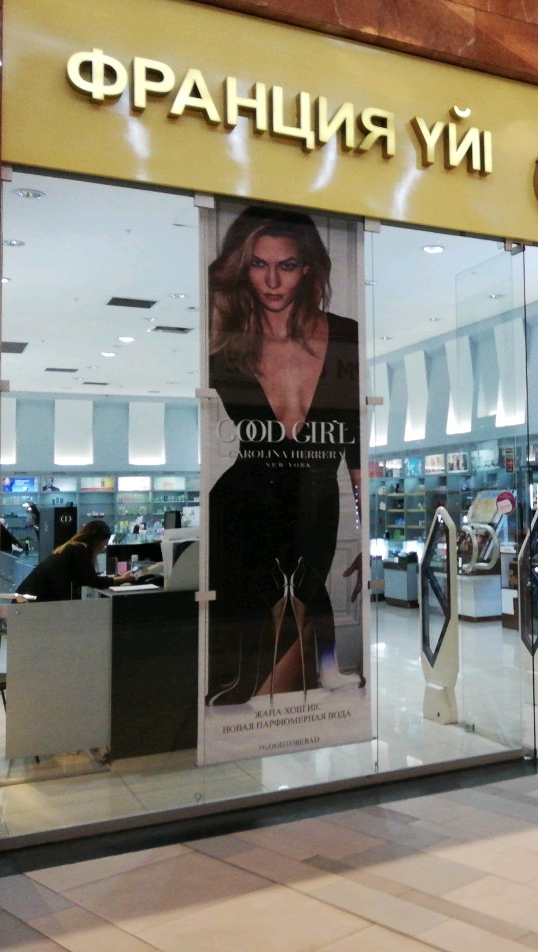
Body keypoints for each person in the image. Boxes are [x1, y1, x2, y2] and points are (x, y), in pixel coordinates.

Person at [205, 206, 363, 706]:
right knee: (251, 600)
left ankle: (322, 672)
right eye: (258, 264)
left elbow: (354, 437)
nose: (272, 281)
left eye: (287, 265)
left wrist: (367, 529)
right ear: (242, 268)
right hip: (245, 496)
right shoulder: (225, 347)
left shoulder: (345, 334)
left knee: (310, 589)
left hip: (317, 493)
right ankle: (243, 684)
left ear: (308, 268)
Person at [15, 520, 134, 601]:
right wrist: (122, 579)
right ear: (97, 541)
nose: (104, 547)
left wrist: (115, 578)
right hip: (33, 602)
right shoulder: (79, 549)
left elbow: (85, 577)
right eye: (104, 543)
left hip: (28, 598)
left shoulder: (72, 547)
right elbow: (93, 581)